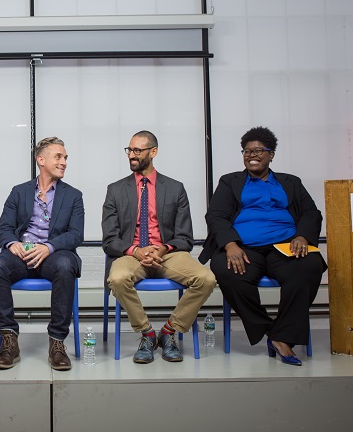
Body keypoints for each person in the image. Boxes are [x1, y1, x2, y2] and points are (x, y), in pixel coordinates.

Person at [200, 126, 326, 366]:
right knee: (229, 272)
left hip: (286, 246)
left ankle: (282, 335)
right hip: (244, 248)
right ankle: (274, 333)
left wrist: (302, 237)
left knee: (309, 267)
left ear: (272, 154)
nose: (251, 155)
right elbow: (216, 215)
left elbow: (311, 213)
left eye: (258, 150)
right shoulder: (230, 182)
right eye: (246, 151)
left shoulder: (291, 182)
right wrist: (229, 244)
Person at [102, 131, 215, 363]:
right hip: (132, 254)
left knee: (206, 278)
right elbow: (110, 239)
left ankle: (169, 331)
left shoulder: (175, 188)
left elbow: (185, 237)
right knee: (118, 278)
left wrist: (161, 249)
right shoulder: (115, 190)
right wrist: (137, 250)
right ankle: (147, 333)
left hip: (167, 254)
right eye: (129, 150)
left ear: (153, 152)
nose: (131, 156)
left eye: (137, 151)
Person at [0, 137, 84, 371]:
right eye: (58, 157)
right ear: (41, 160)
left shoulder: (73, 195)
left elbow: (76, 234)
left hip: (54, 255)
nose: (64, 162)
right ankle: (8, 339)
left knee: (64, 266)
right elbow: (4, 228)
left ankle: (57, 343)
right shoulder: (19, 192)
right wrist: (12, 243)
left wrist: (48, 247)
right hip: (23, 254)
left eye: (65, 158)